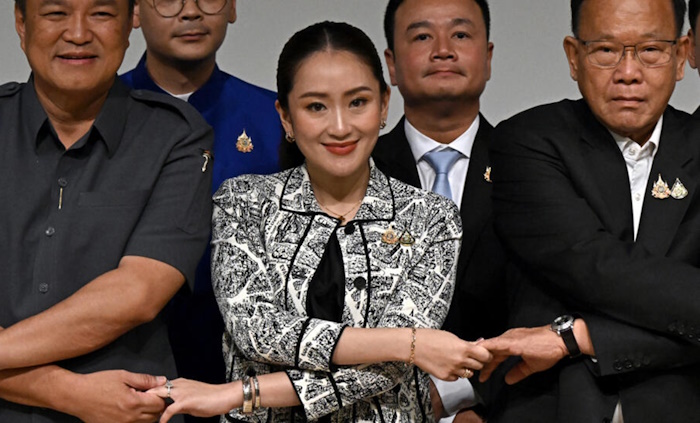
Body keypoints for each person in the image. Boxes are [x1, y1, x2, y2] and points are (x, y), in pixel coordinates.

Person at [147, 21, 493, 423]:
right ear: (286, 117)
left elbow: (387, 370)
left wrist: (240, 393)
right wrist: (409, 343)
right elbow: (259, 332)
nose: (340, 126)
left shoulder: (432, 218)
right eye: (316, 107)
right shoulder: (242, 202)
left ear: (383, 105)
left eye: (358, 102)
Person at [477, 0, 700, 422]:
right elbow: (595, 267)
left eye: (651, 50)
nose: (628, 72)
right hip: (553, 405)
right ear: (574, 57)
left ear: (681, 54)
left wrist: (576, 337)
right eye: (605, 50)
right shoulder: (526, 141)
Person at [0, 0, 213, 421]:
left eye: (101, 13)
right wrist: (64, 392)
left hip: (127, 410)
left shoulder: (177, 137)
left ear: (131, 20)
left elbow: (137, 294)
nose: (78, 33)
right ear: (21, 24)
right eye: (56, 13)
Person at [120, 0, 282, 404]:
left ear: (232, 8)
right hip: (123, 360)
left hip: (249, 370)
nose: (190, 11)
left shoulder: (276, 116)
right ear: (135, 11)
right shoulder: (101, 108)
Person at [372, 0, 506, 421]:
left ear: (487, 59)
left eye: (461, 35)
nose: (443, 50)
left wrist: (469, 396)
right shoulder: (356, 169)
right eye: (423, 36)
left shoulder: (530, 167)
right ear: (391, 65)